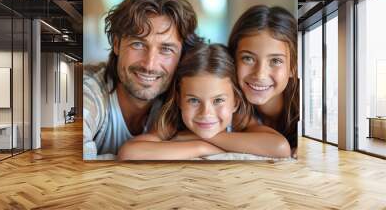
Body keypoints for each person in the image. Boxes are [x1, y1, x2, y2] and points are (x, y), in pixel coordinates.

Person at [118, 44, 291, 160]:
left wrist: (201, 137)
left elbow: (281, 148)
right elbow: (129, 152)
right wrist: (201, 147)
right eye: (193, 100)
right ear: (179, 100)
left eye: (218, 100)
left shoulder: (239, 120)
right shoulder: (173, 124)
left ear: (236, 102)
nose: (205, 113)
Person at [83, 0, 201, 160]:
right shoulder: (88, 93)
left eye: (166, 49)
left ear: (182, 55)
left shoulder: (184, 98)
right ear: (116, 43)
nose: (149, 64)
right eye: (138, 44)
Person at [228, 5, 299, 157]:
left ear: (293, 67)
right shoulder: (232, 102)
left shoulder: (311, 110)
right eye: (248, 58)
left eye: (275, 61)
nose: (260, 74)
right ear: (233, 60)